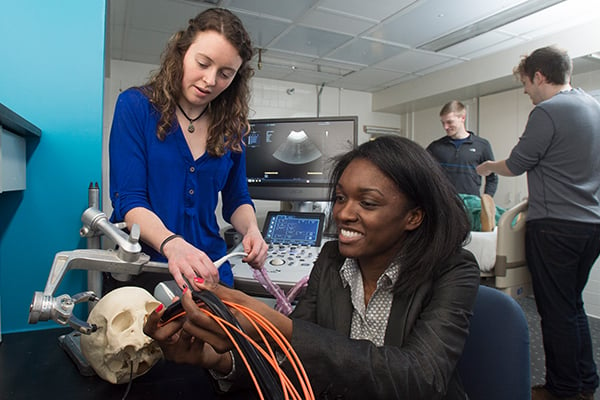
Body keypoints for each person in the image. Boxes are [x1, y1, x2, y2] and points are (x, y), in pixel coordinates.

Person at [145, 135, 481, 399]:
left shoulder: (452, 270)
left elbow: (420, 379)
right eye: (339, 198)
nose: (343, 214)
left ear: (413, 216)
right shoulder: (333, 260)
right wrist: (214, 359)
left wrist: (278, 326)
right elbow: (291, 362)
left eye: (367, 203)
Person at [107, 8, 268, 294]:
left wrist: (251, 230)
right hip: (146, 268)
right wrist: (173, 245)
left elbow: (237, 197)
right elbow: (129, 200)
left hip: (210, 268)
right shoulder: (135, 107)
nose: (210, 80)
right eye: (203, 63)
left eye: (225, 74)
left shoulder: (233, 128)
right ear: (182, 51)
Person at [477, 46, 600, 400]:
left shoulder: (548, 111)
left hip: (556, 227)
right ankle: (585, 382)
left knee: (555, 312)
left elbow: (517, 163)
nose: (526, 91)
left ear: (540, 77)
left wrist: (487, 168)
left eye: (527, 83)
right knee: (573, 305)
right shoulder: (591, 106)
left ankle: (562, 388)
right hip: (590, 225)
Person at [427, 100, 498, 197]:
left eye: (449, 122)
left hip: (471, 204)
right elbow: (422, 171)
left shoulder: (482, 145)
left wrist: (486, 200)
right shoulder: (435, 147)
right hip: (444, 202)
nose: (445, 127)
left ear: (462, 118)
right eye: (443, 123)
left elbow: (492, 177)